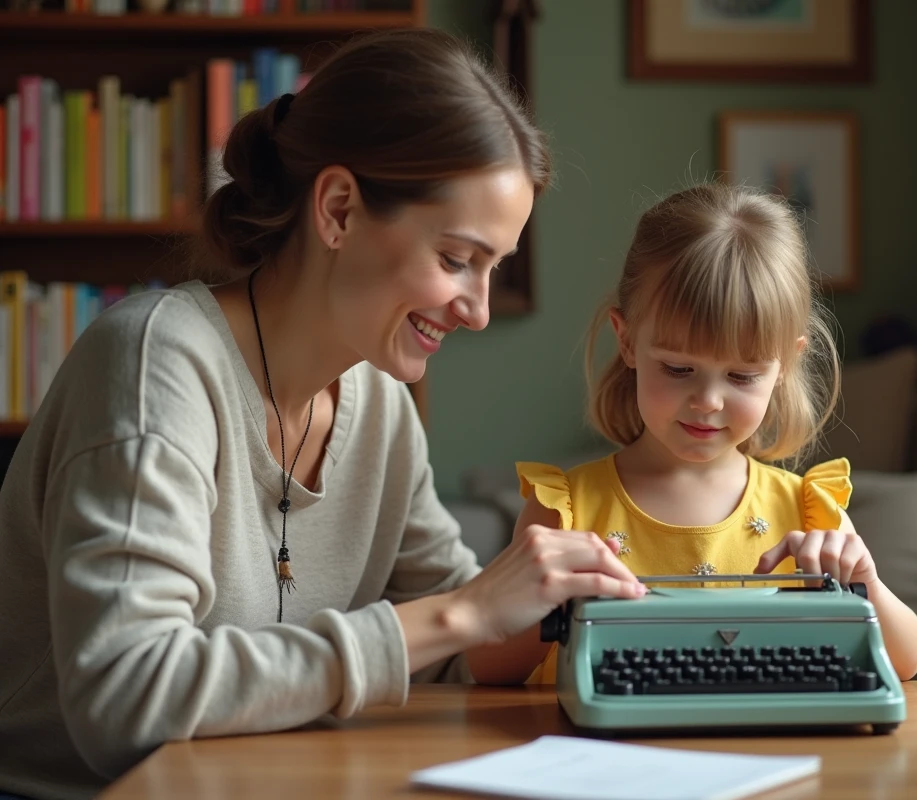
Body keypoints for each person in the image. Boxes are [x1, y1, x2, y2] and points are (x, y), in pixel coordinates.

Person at [0, 29, 643, 800]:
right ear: (338, 209)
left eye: (493, 267)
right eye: (455, 259)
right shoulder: (153, 366)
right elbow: (126, 702)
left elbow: (456, 645)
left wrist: (564, 596)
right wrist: (465, 611)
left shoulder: (379, 408)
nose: (475, 311)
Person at [468, 183, 917, 687]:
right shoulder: (565, 510)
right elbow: (486, 667)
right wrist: (543, 602)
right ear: (627, 342)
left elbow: (905, 661)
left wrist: (868, 586)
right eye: (679, 369)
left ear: (785, 365)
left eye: (742, 376)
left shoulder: (810, 510)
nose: (708, 401)